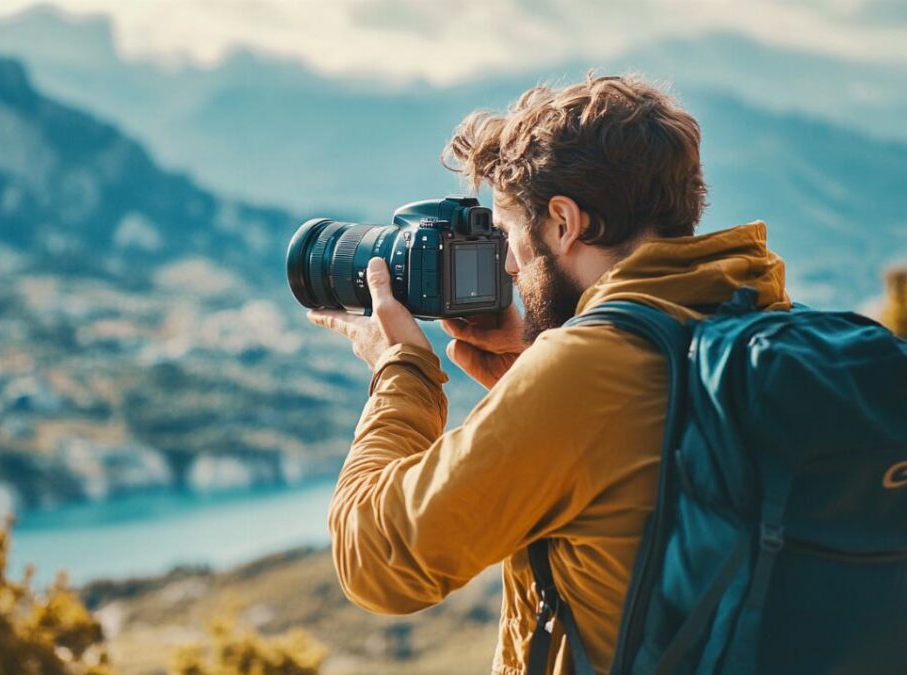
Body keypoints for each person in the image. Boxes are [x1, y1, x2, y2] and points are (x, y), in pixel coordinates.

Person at [306, 73, 791, 675]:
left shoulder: (587, 374)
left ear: (564, 222)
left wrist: (399, 370)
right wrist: (527, 364)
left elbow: (377, 562)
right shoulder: (756, 324)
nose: (507, 263)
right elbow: (642, 470)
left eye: (510, 233)